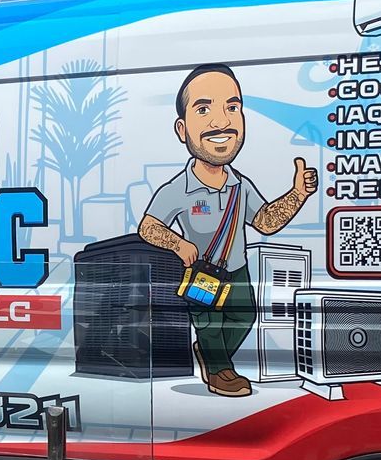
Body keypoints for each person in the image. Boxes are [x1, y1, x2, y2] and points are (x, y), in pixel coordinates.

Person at [136, 64, 317, 398]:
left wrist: (297, 195)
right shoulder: (178, 188)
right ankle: (219, 370)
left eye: (232, 107)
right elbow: (148, 226)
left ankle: (211, 357)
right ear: (182, 128)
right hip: (201, 274)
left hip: (237, 272)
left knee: (244, 316)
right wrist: (177, 244)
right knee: (209, 325)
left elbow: (265, 222)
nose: (220, 121)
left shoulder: (240, 185)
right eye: (203, 109)